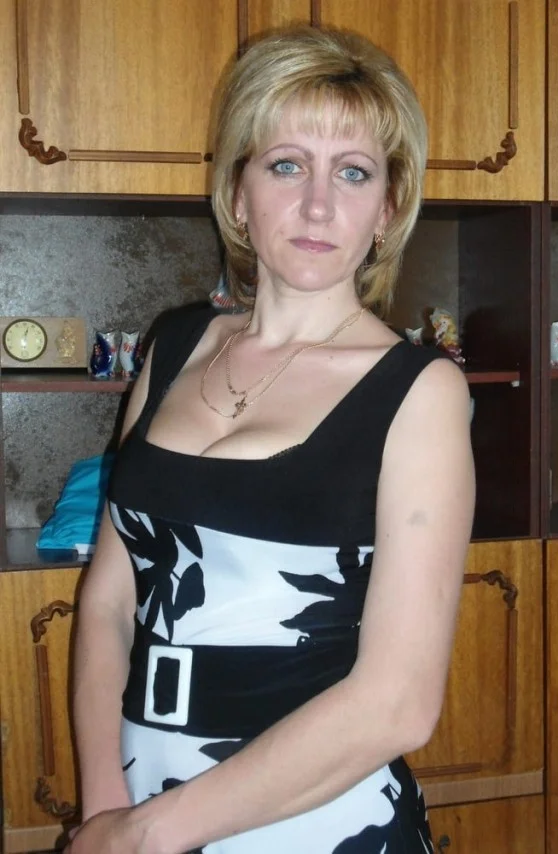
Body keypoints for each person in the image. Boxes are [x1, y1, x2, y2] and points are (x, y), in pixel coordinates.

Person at [67, 25, 475, 854]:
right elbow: (111, 600)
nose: (319, 205)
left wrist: (144, 835)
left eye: (353, 172)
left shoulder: (419, 391)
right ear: (238, 190)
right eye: (287, 165)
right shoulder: (173, 345)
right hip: (134, 798)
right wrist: (105, 805)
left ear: (387, 207)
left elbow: (398, 703)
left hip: (314, 820)